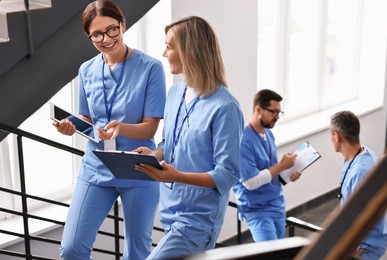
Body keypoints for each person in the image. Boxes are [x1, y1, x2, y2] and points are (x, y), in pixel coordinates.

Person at [53, 1, 166, 259]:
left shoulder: (151, 68)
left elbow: (151, 126)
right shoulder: (86, 69)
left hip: (138, 166)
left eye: (112, 30)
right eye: (97, 34)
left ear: (123, 24)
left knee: (137, 252)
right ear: (89, 36)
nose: (106, 39)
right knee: (71, 249)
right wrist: (72, 126)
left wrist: (121, 128)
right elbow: (87, 118)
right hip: (96, 165)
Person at [134, 16, 244, 259]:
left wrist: (176, 176)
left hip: (198, 221)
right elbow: (168, 144)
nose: (164, 53)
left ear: (189, 50)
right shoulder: (174, 93)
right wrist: (154, 154)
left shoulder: (225, 107)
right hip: (170, 211)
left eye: (169, 46)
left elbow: (227, 174)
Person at [232, 89, 301, 242]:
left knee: (281, 253)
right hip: (257, 210)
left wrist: (288, 174)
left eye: (279, 113)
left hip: (276, 204)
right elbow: (250, 182)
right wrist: (281, 166)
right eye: (274, 112)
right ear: (259, 110)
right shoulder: (243, 140)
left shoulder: (268, 134)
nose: (277, 117)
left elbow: (270, 171)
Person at [329, 110, 387, 259]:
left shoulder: (360, 173)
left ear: (336, 136)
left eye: (330, 134)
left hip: (364, 248)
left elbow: (362, 218)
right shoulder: (364, 152)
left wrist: (350, 247)